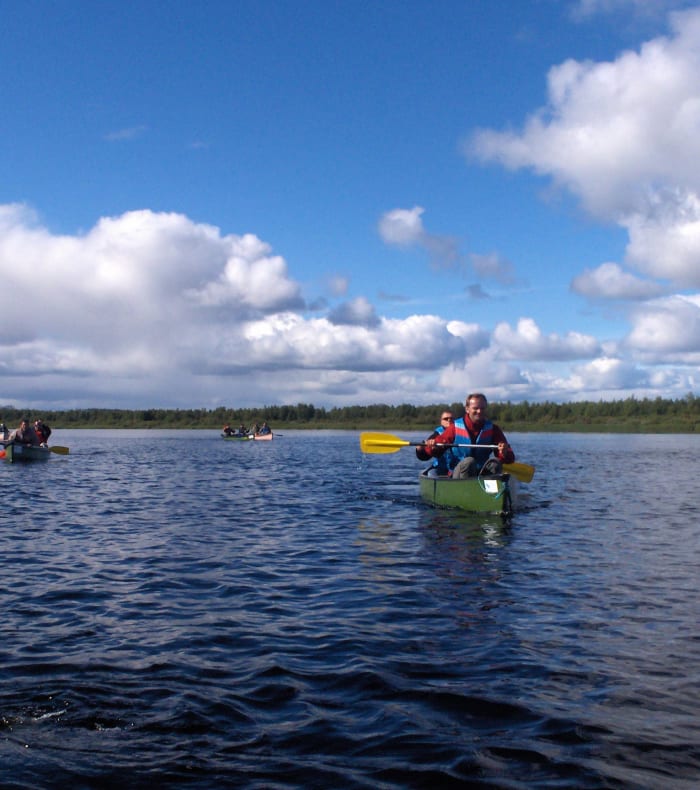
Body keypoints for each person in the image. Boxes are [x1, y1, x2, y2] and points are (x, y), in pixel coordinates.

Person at [423, 393, 515, 478]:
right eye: (475, 408)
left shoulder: (493, 429)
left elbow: (510, 458)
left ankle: (489, 489)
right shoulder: (454, 428)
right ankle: (465, 490)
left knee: (495, 463)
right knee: (469, 461)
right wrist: (432, 447)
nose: (479, 411)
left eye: (482, 408)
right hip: (457, 474)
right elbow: (433, 450)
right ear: (467, 409)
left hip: (481, 473)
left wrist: (504, 452)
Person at [416, 410, 454, 476]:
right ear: (441, 421)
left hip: (456, 468)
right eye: (446, 419)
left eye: (451, 418)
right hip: (440, 467)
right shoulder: (436, 434)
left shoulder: (459, 432)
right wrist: (420, 449)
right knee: (431, 473)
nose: (449, 420)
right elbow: (424, 456)